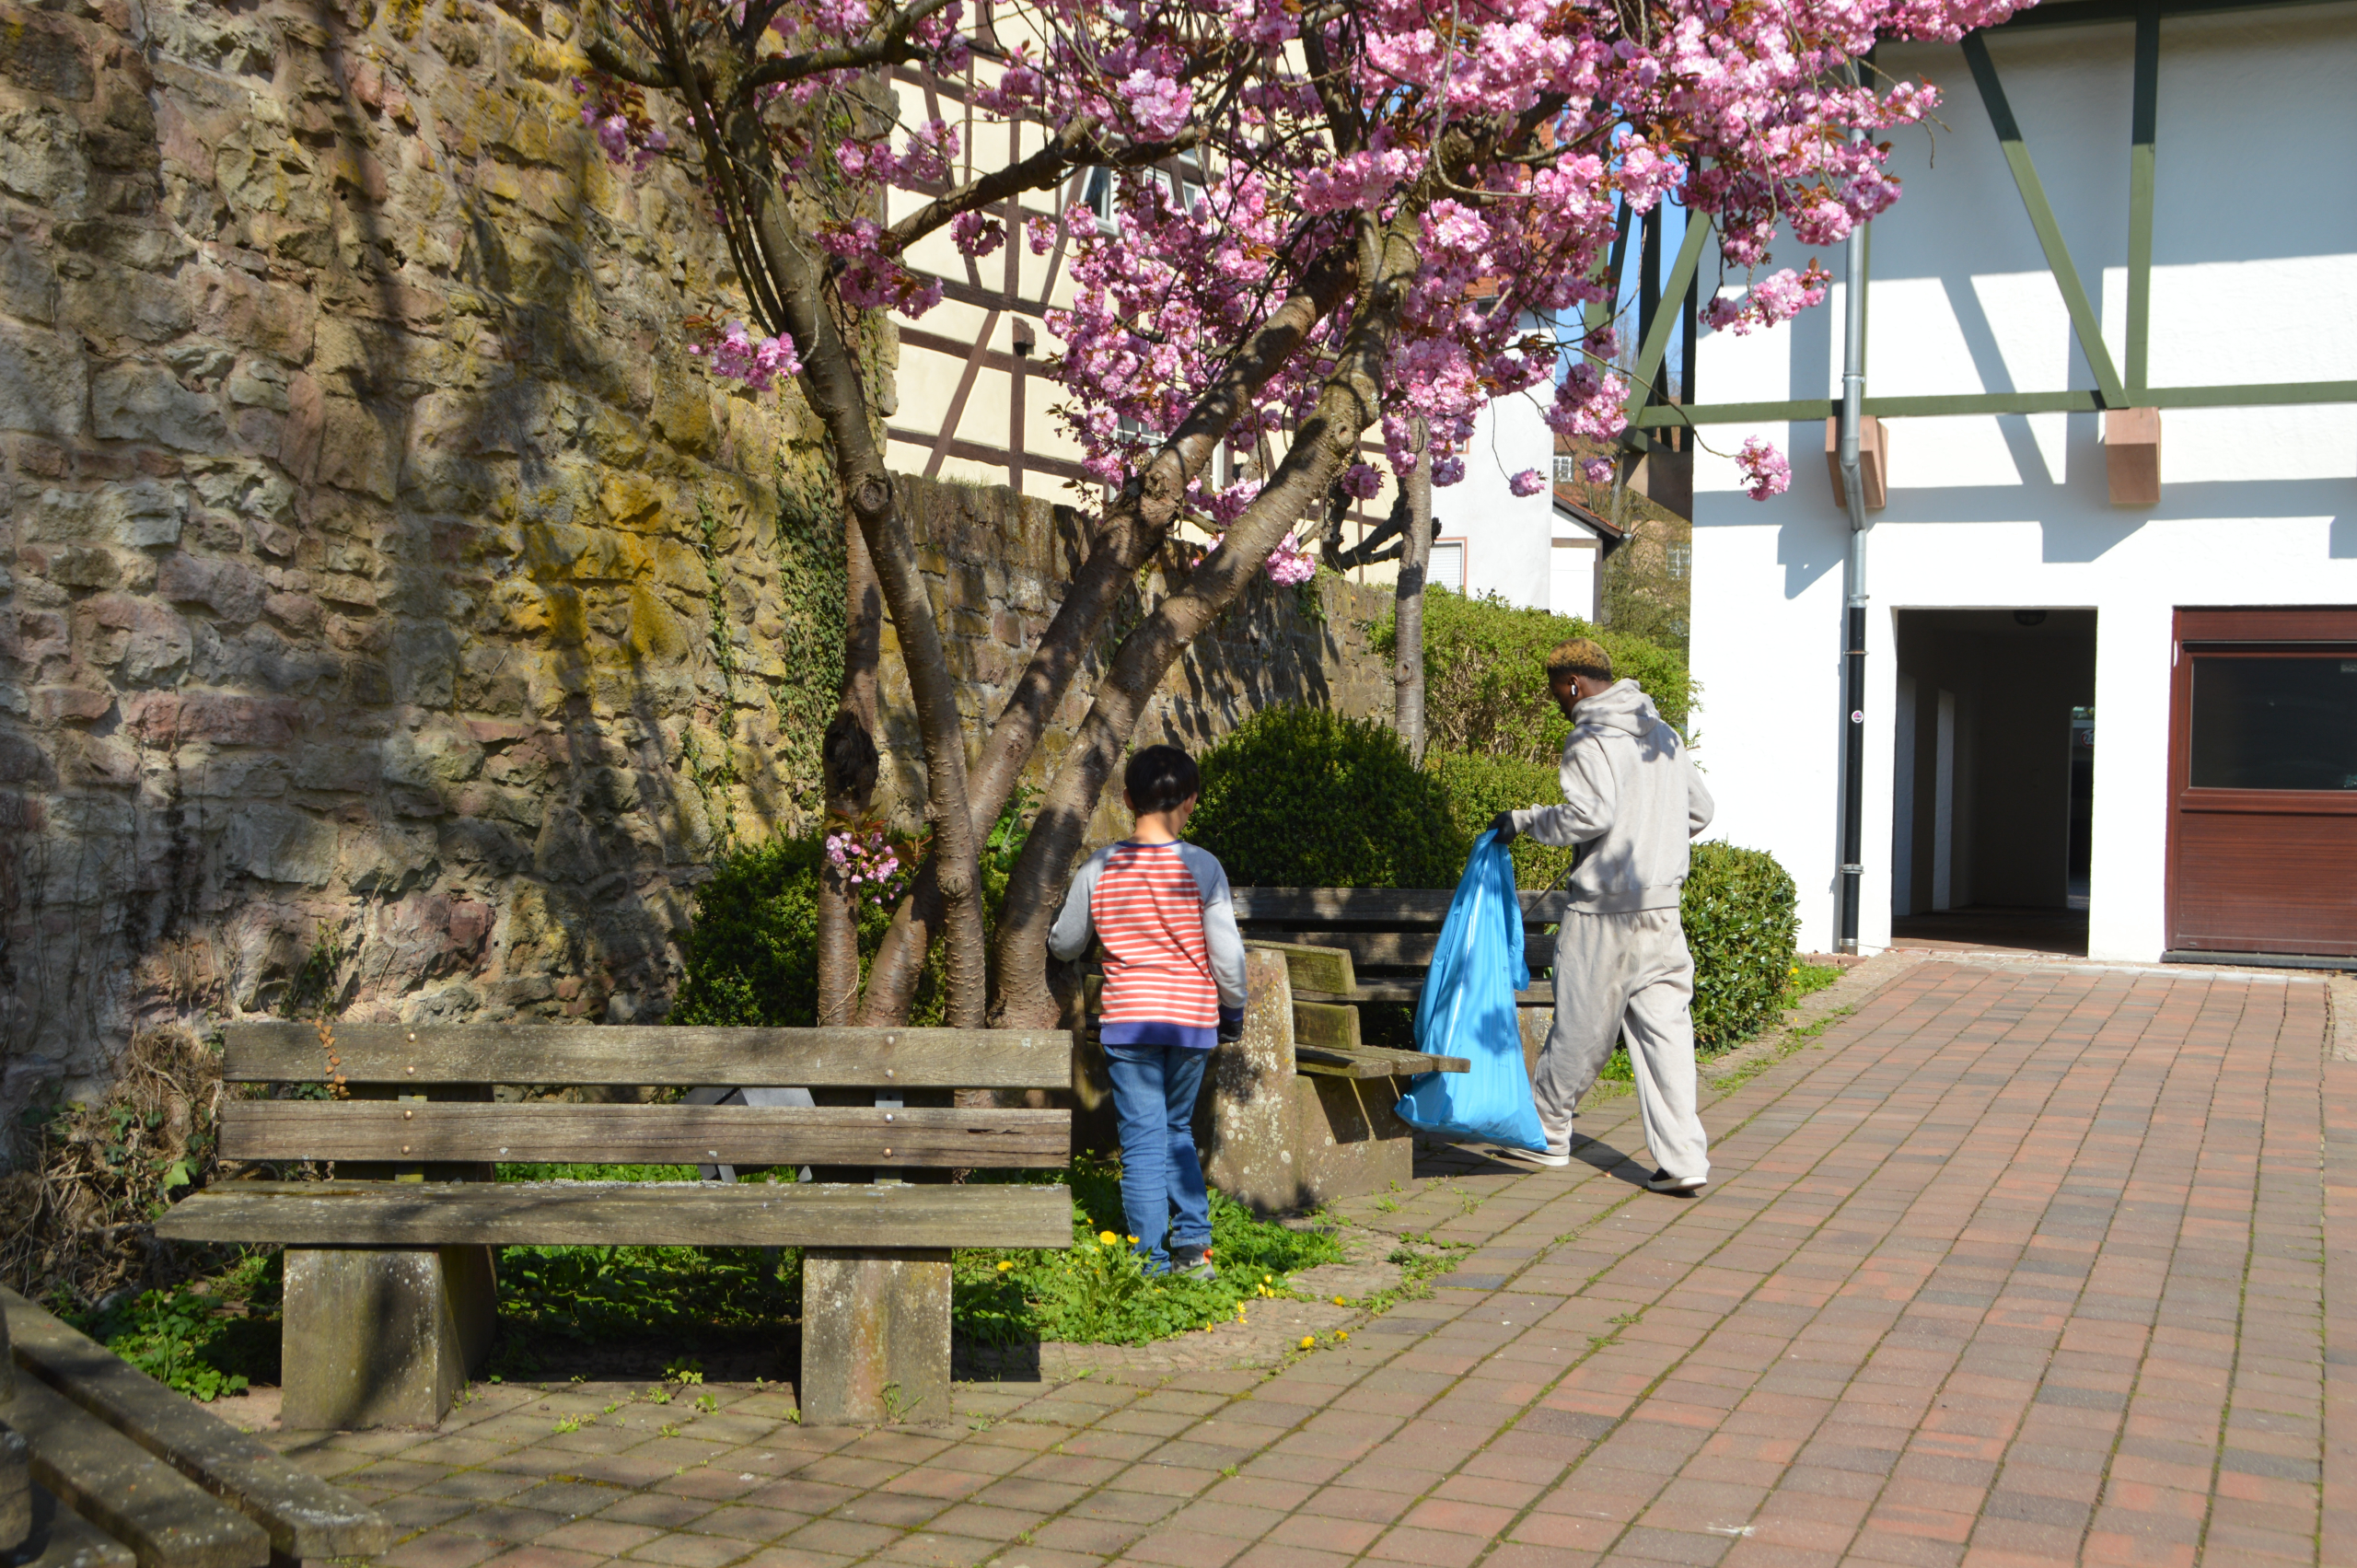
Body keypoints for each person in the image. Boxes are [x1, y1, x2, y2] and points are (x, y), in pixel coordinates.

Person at [1490, 638, 1716, 1193]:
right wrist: (1652, 833)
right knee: (1667, 1038)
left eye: (1556, 695)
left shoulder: (1588, 737)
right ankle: (1684, 1159)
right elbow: (1701, 810)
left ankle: (1545, 1132)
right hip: (1663, 912)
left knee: (1581, 1031)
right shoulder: (1663, 735)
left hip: (1604, 915)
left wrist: (1523, 821)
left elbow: (1589, 815)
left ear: (1572, 685)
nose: (1558, 706)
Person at [1048, 744, 1246, 1276]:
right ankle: (1193, 1247)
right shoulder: (1203, 867)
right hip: (1191, 1020)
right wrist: (1234, 1010)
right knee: (1177, 1130)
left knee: (1140, 1138)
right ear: (1191, 801)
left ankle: (1149, 1259)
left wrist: (1059, 944)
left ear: (1127, 798)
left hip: (1130, 1020)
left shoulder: (1101, 866)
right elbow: (1227, 954)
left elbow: (1067, 942)